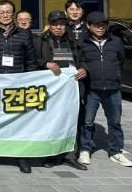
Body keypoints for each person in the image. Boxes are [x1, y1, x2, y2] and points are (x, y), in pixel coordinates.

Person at [0, 0, 38, 173]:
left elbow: (31, 61)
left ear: (13, 14)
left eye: (8, 12)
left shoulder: (24, 35)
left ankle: (21, 157)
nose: (5, 15)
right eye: (1, 12)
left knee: (19, 122)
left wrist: (30, 83)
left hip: (18, 86)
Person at [78, 11, 132, 167]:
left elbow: (120, 60)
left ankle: (116, 151)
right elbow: (80, 61)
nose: (101, 27)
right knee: (87, 121)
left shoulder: (116, 41)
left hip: (113, 89)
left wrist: (114, 75)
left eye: (103, 24)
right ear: (88, 26)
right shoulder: (83, 42)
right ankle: (85, 149)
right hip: (92, 88)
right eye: (97, 25)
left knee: (115, 122)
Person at [38, 11, 88, 170]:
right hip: (51, 91)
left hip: (71, 90)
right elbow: (32, 60)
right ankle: (52, 155)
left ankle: (70, 155)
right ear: (49, 25)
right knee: (52, 123)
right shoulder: (40, 41)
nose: (58, 27)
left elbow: (84, 59)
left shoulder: (73, 41)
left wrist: (84, 69)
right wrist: (45, 63)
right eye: (55, 24)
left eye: (62, 24)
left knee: (72, 122)